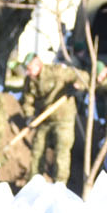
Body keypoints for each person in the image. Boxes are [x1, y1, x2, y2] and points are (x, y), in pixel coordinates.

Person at [17, 54, 85, 183]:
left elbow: (82, 76)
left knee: (61, 151)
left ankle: (60, 184)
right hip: (45, 118)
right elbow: (27, 101)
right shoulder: (29, 80)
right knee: (37, 149)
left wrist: (76, 86)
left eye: (29, 68)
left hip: (63, 118)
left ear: (38, 65)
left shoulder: (57, 72)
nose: (27, 71)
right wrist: (29, 116)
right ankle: (34, 182)